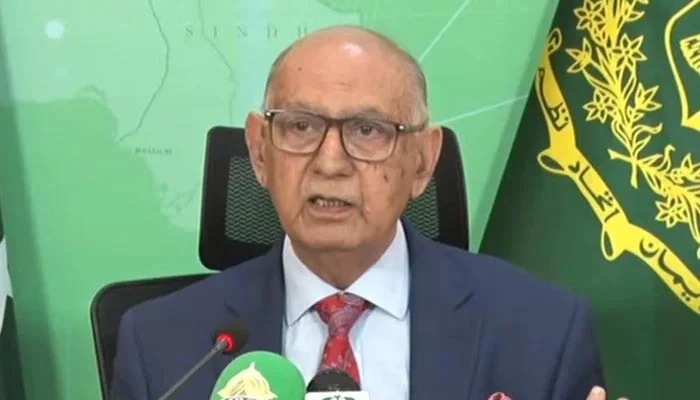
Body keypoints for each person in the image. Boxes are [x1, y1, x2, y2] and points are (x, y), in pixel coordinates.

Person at [110, 25, 622, 400]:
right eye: (301, 126)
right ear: (260, 153)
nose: (330, 163)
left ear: (423, 162)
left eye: (367, 131)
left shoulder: (543, 332)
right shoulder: (162, 346)